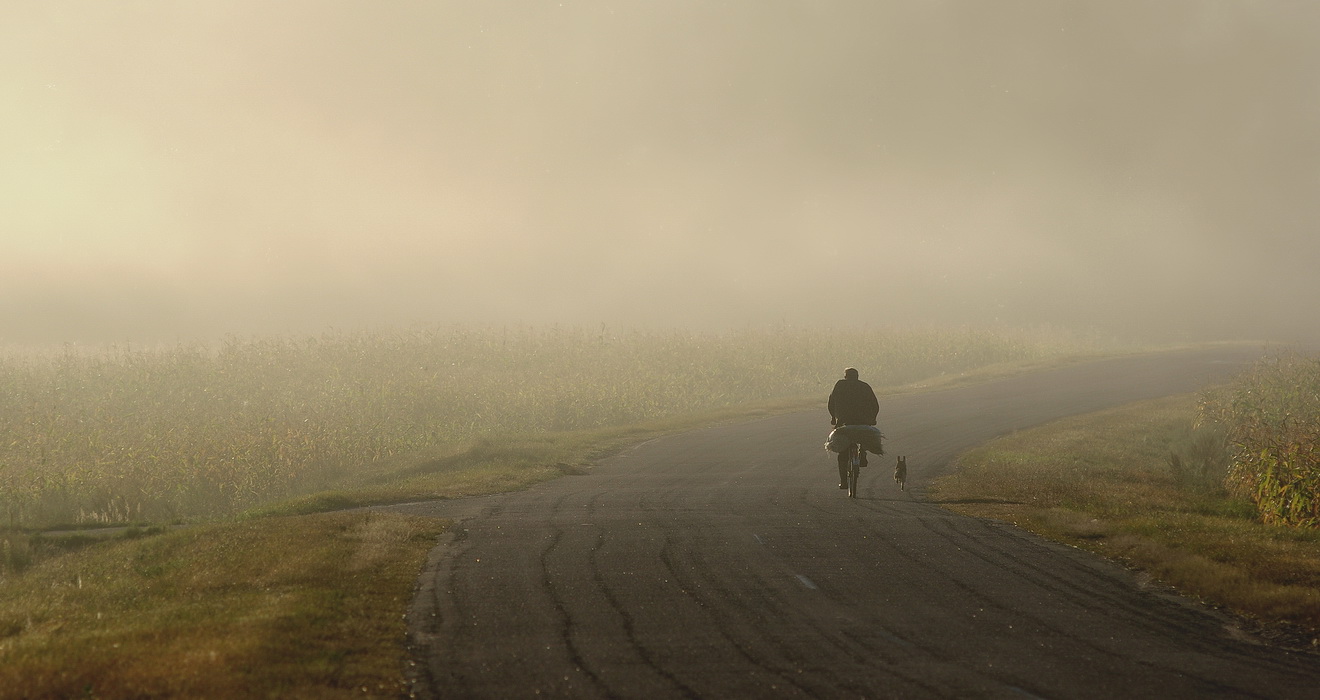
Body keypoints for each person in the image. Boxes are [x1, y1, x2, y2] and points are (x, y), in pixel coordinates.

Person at [828, 367, 880, 489]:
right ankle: (862, 452)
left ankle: (844, 482)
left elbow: (831, 403)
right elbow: (875, 405)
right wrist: (872, 418)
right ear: (857, 376)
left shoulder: (840, 385)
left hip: (844, 422)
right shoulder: (865, 386)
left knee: (843, 453)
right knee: (863, 435)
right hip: (863, 421)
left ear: (845, 376)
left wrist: (833, 418)